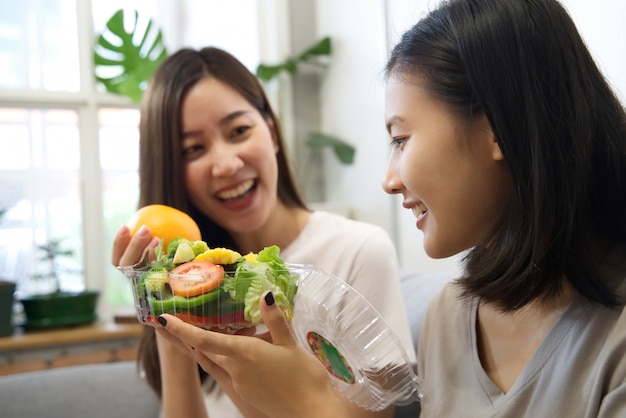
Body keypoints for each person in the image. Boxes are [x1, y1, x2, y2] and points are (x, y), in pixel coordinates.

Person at [154, 0, 626, 417]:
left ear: (496, 130)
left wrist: (312, 405)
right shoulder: (451, 316)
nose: (388, 179)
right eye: (192, 149)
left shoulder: (610, 339)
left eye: (401, 138)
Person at [111, 46, 415, 418]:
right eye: (193, 149)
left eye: (239, 130)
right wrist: (168, 317)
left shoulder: (358, 251)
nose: (225, 164)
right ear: (173, 172)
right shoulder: (188, 283)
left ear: (270, 132)